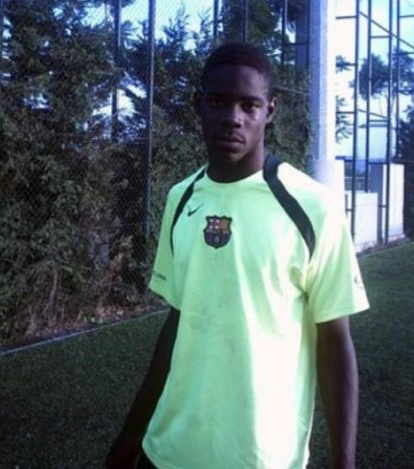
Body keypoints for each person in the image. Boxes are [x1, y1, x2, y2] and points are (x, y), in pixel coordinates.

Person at [106, 42, 369, 469]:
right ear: (198, 105)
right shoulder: (181, 197)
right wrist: (132, 433)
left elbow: (335, 340)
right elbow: (178, 321)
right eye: (218, 102)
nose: (233, 117)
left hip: (261, 457)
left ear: (270, 111)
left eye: (249, 105)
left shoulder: (313, 207)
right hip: (169, 450)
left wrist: (344, 462)